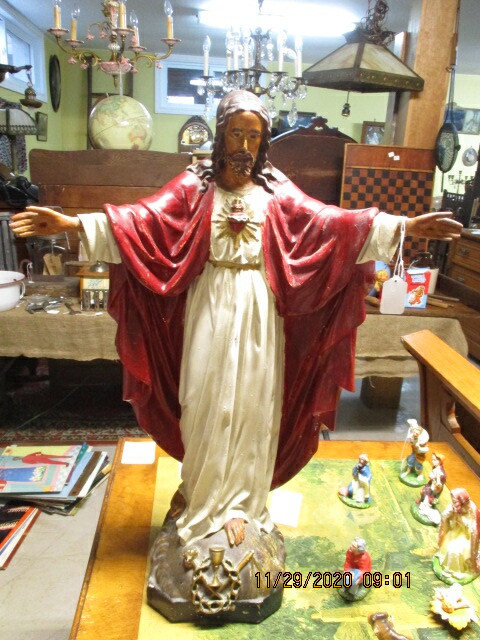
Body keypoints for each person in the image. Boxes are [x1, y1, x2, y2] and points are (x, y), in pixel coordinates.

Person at [10, 90, 462, 550]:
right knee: (203, 398)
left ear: (264, 141)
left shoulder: (276, 190)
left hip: (260, 310)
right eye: (236, 133)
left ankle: (244, 506)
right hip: (208, 304)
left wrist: (404, 227)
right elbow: (139, 221)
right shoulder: (194, 185)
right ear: (221, 134)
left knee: (253, 401)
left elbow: (333, 224)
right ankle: (203, 498)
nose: (244, 146)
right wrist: (73, 226)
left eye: (254, 136)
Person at [435, 488, 480, 582]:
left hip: (466, 536)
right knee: (447, 544)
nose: (453, 503)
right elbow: (445, 519)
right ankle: (446, 564)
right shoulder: (453, 508)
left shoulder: (472, 510)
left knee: (455, 551)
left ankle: (457, 569)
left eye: (455, 501)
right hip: (455, 531)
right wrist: (448, 516)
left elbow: (474, 532)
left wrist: (463, 521)